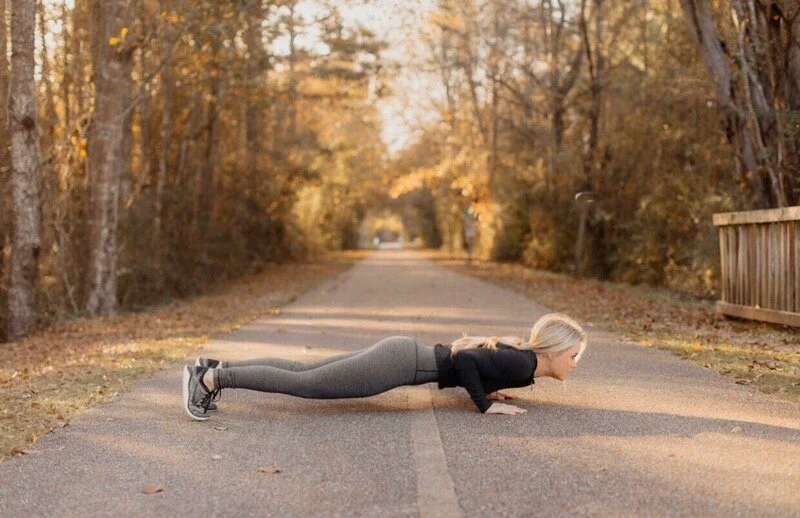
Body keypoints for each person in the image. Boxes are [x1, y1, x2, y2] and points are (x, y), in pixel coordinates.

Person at [181, 312, 587, 421]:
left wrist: (487, 389)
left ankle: (218, 367)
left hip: (402, 356)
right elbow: (465, 360)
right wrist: (485, 403)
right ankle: (210, 378)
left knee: (301, 370)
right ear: (553, 351)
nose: (576, 364)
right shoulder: (522, 362)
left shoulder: (524, 365)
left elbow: (477, 364)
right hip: (399, 364)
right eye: (574, 356)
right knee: (307, 384)